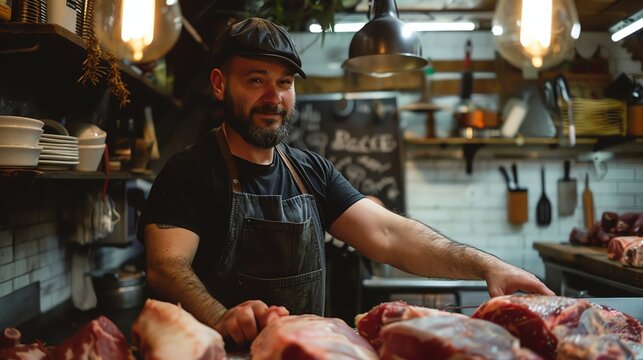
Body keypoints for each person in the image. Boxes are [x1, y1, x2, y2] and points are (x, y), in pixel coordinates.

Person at [138, 17, 554, 345]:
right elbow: (165, 267)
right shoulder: (190, 172)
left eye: (284, 83)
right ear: (219, 84)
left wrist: (489, 266)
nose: (273, 97)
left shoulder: (310, 173)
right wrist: (220, 316)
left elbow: (390, 235)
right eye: (255, 80)